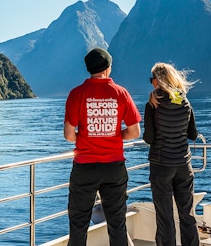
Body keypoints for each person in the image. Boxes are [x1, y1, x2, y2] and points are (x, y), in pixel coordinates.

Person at [64, 47, 142, 246]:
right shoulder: (120, 93)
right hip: (114, 166)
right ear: (108, 68)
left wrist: (85, 136)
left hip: (84, 167)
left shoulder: (76, 94)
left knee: (78, 224)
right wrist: (114, 135)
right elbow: (134, 132)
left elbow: (69, 135)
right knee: (117, 224)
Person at [143, 62, 199, 246]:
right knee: (187, 214)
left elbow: (149, 138)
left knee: (165, 216)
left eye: (152, 80)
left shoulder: (152, 103)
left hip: (161, 165)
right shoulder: (184, 101)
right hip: (184, 164)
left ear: (158, 81)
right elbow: (193, 134)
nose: (151, 84)